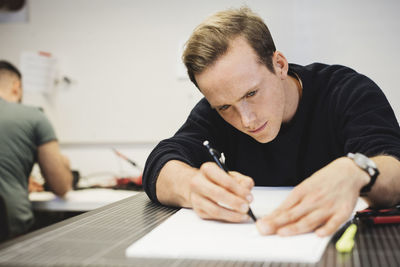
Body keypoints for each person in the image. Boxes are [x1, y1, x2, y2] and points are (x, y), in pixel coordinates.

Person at [143, 7, 400, 237]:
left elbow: (394, 168)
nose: (246, 119)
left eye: (251, 94)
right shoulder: (217, 109)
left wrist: (357, 171)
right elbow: (161, 161)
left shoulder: (346, 91)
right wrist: (191, 187)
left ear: (279, 65)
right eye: (225, 107)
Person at [0, 60, 72, 239]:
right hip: (8, 230)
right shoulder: (33, 116)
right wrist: (64, 164)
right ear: (17, 87)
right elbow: (61, 186)